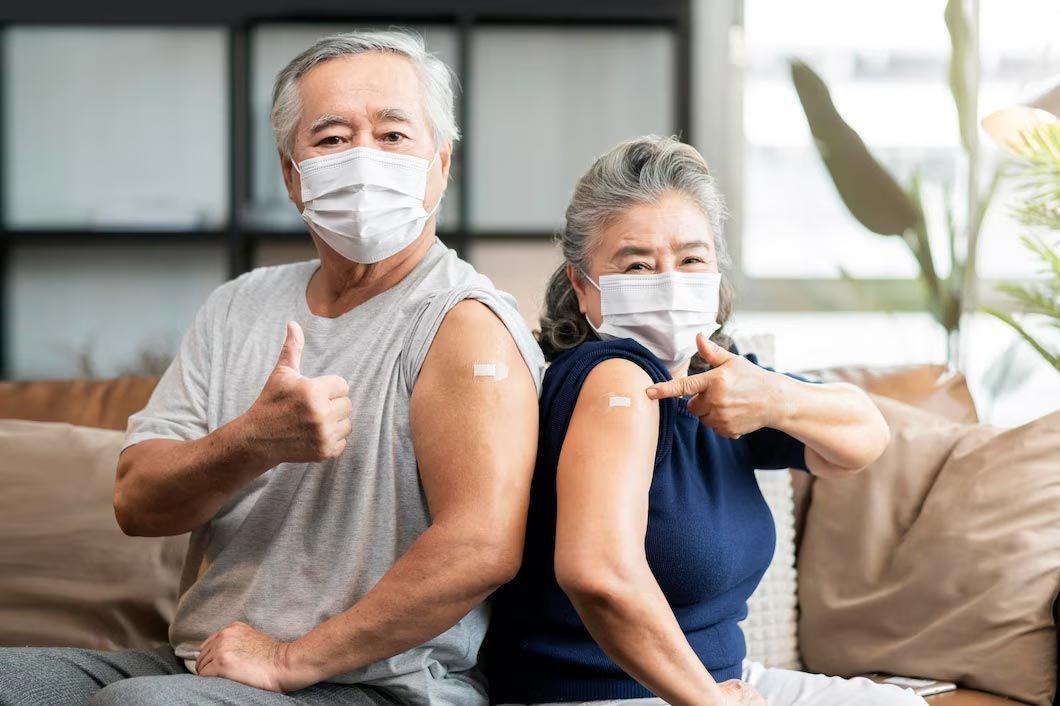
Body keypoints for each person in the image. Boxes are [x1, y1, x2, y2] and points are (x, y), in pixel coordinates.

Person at [0, 30, 543, 706]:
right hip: (201, 665)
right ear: (292, 174)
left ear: (441, 162)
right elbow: (137, 501)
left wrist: (289, 660)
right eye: (333, 138)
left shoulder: (465, 324)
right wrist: (253, 442)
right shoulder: (239, 305)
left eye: (394, 135)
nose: (365, 158)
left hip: (374, 685)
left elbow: (480, 548)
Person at [484, 135, 923, 706]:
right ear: (582, 288)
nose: (669, 281)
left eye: (691, 259)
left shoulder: (722, 380)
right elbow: (597, 573)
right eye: (637, 264)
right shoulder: (615, 374)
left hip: (724, 680)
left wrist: (774, 398)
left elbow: (867, 438)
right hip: (614, 693)